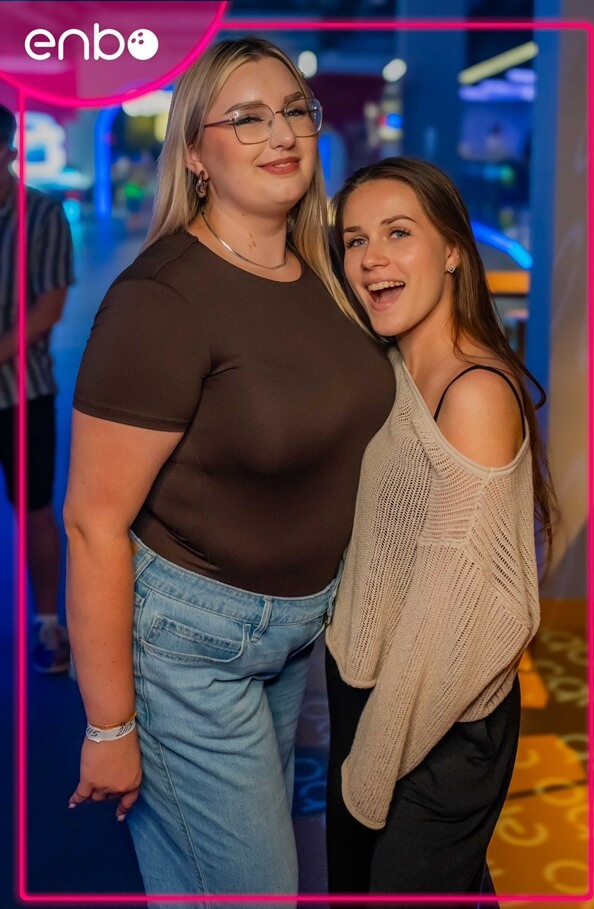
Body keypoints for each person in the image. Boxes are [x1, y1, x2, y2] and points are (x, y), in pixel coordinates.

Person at [63, 37, 395, 904]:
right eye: (246, 118)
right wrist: (110, 724)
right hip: (188, 644)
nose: (280, 133)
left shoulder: (326, 271)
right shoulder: (162, 300)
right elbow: (93, 523)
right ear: (195, 155)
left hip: (293, 638)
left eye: (292, 111)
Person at [325, 157, 556, 903]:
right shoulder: (390, 368)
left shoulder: (474, 393)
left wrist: (370, 763)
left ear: (454, 249)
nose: (372, 258)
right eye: (355, 240)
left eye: (399, 232)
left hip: (438, 722)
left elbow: (448, 618)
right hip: (372, 696)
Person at [0, 104, 74, 673]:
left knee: (36, 510)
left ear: (8, 152)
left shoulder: (41, 215)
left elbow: (48, 309)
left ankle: (49, 623)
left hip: (22, 392)